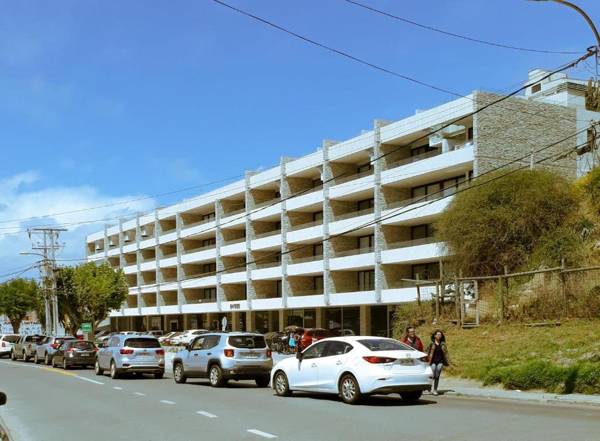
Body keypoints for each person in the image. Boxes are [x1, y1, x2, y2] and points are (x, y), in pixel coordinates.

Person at [427, 330, 450, 396]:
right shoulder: (432, 344)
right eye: (438, 334)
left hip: (440, 361)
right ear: (435, 336)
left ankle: (435, 390)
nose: (439, 336)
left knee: (437, 375)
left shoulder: (443, 344)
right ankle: (429, 387)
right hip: (433, 361)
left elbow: (446, 353)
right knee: (433, 372)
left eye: (440, 335)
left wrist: (448, 361)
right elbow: (427, 352)